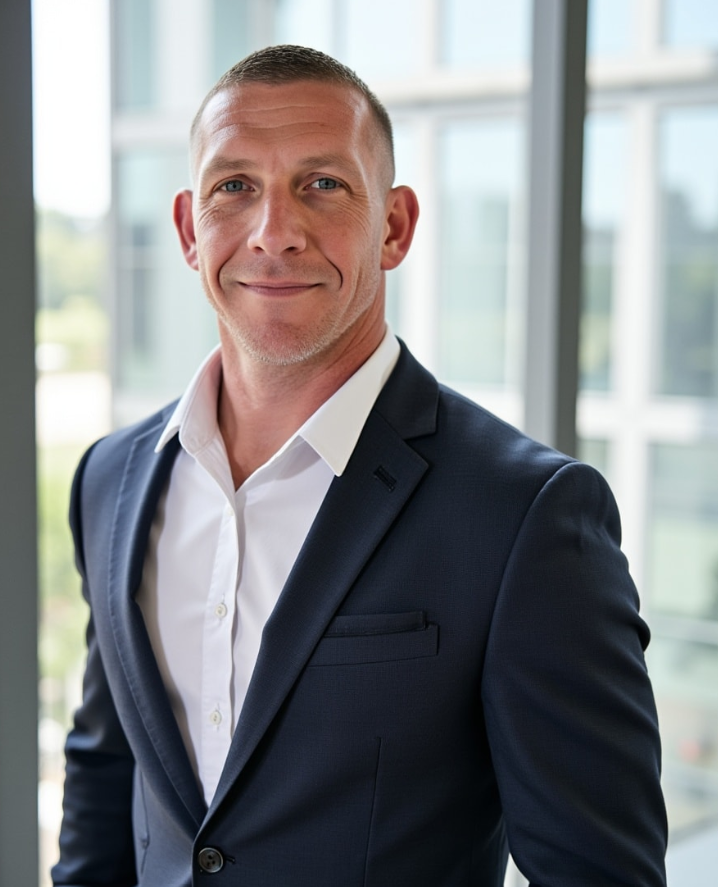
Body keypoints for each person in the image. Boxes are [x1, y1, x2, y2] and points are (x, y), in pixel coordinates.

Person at [53, 44, 667, 887]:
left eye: (323, 184)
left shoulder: (528, 515)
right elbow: (106, 774)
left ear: (395, 225)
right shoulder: (111, 479)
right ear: (191, 231)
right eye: (234, 186)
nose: (275, 231)